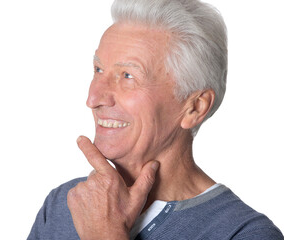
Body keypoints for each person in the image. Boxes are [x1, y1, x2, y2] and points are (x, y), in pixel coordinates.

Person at [27, 0, 284, 239]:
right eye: (98, 70)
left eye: (127, 75)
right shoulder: (65, 203)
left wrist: (104, 233)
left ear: (194, 107)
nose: (94, 98)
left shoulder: (242, 233)